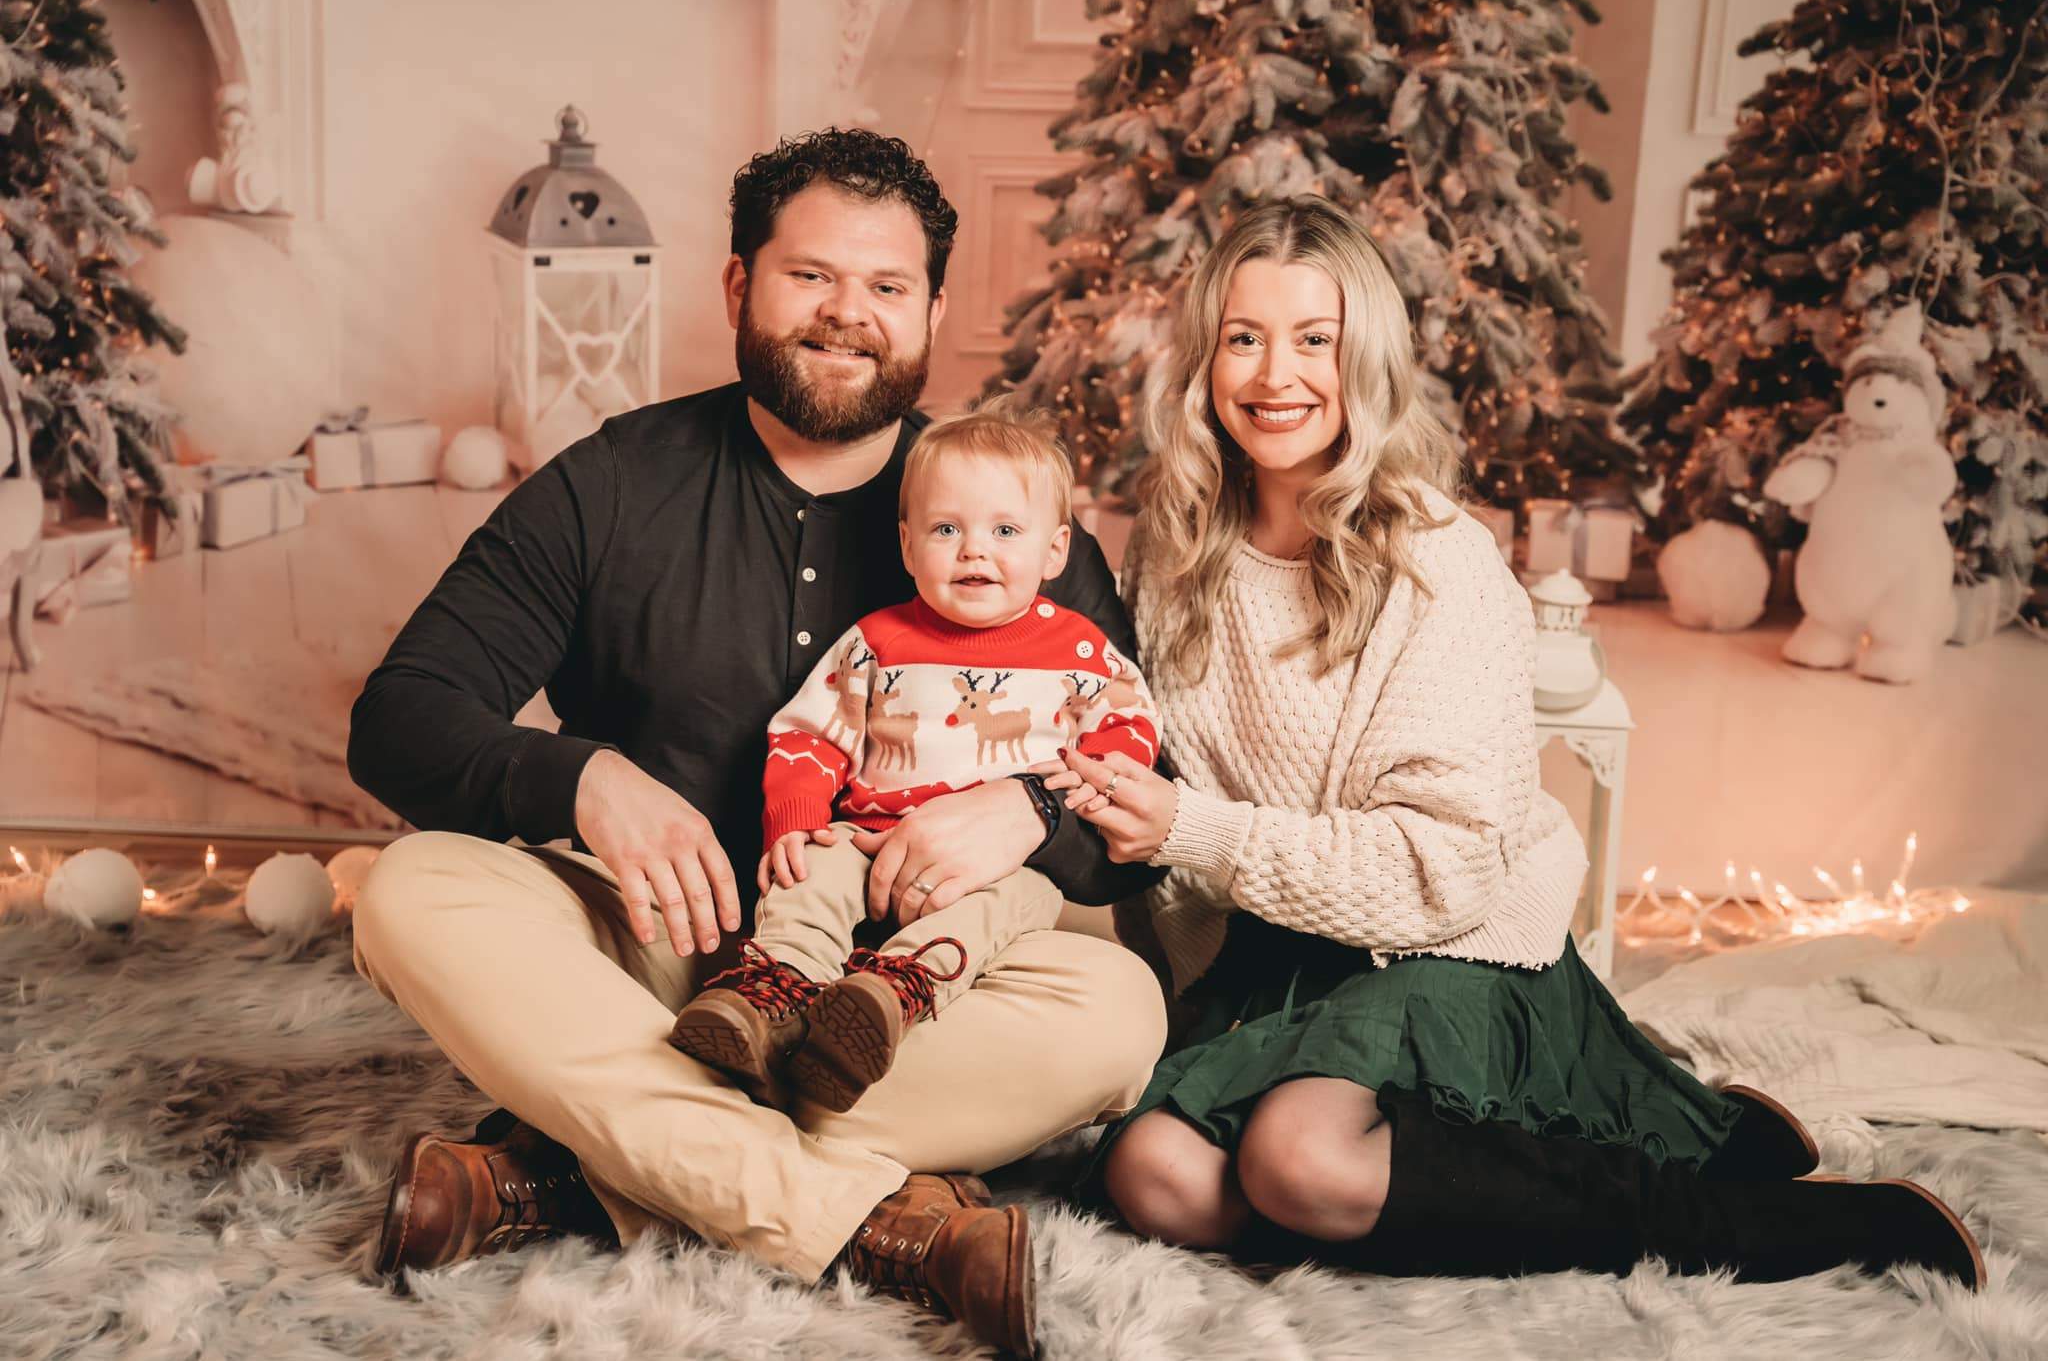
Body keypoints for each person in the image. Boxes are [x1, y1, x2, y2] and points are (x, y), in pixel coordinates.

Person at [1044, 195, 1984, 1291]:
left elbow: (1439, 873)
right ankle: (1626, 1131)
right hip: (1279, 938)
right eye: (1243, 338)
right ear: (1206, 358)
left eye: (1315, 340)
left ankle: (1762, 1217)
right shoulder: (1174, 543)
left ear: (1367, 356)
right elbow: (1149, 762)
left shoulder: (1437, 560)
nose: (1274, 375)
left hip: (1443, 937)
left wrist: (1194, 830)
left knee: (1297, 1162)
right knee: (1158, 1177)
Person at [346, 129, 1168, 1357]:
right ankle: (867, 1217)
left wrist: (1031, 810)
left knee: (1117, 1008)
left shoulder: (1006, 515)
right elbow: (399, 716)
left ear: (931, 312)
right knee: (410, 891)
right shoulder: (608, 484)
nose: (848, 314)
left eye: (886, 285)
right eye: (810, 276)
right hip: (648, 949)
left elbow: (1140, 811)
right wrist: (586, 779)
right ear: (739, 285)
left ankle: (573, 1162)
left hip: (905, 985)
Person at [668, 397, 1158, 1113]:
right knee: (809, 874)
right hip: (869, 838)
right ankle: (773, 991)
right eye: (946, 528)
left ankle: (888, 997)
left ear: (1055, 552)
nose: (973, 550)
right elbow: (810, 733)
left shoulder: (1079, 651)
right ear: (907, 544)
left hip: (998, 864)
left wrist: (1081, 790)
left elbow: (1130, 729)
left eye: (1004, 530)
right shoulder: (876, 642)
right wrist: (796, 822)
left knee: (1020, 897)